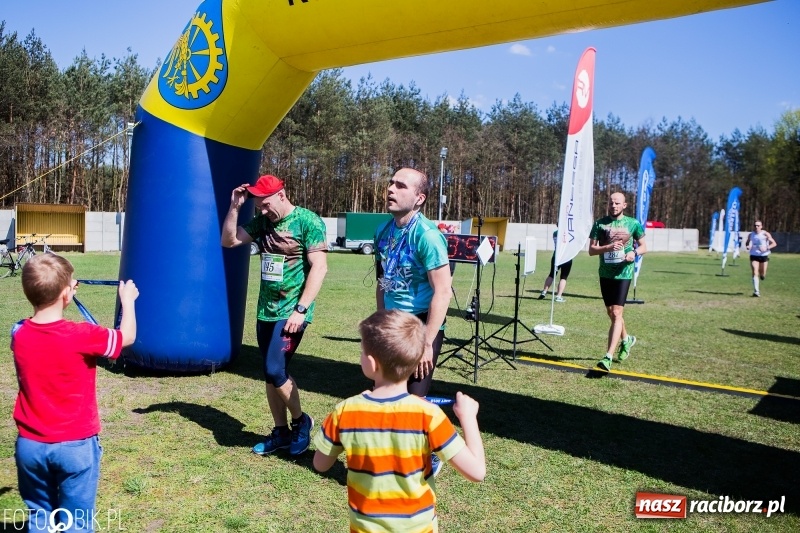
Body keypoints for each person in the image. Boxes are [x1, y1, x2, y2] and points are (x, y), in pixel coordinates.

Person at [313, 309, 485, 533]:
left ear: (373, 364)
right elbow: (477, 472)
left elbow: (320, 464)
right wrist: (468, 417)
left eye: (362, 351)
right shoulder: (428, 415)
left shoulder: (345, 411)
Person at [11, 254, 139, 532]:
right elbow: (125, 337)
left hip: (30, 446)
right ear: (66, 294)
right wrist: (127, 301)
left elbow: (41, 323)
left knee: (40, 518)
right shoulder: (84, 335)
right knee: (76, 523)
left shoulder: (18, 333)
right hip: (75, 445)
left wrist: (63, 290)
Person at [221, 174, 328, 456]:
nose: (264, 211)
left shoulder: (308, 221)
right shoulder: (264, 223)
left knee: (274, 369)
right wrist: (234, 206)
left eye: (266, 205)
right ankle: (281, 432)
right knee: (269, 376)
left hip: (292, 312)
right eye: (259, 207)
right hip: (265, 312)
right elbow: (229, 241)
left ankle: (301, 422)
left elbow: (320, 268)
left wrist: (301, 310)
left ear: (282, 194)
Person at [375, 168, 452, 397]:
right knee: (385, 394)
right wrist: (382, 320)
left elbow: (443, 291)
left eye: (401, 186)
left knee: (412, 400)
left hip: (421, 323)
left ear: (420, 199)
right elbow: (383, 280)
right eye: (391, 183)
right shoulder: (382, 231)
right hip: (392, 321)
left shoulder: (427, 236)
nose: (390, 189)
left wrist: (427, 343)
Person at [588, 192, 647, 371]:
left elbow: (644, 246)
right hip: (605, 274)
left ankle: (608, 357)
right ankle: (626, 339)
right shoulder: (600, 223)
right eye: (611, 203)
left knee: (617, 313)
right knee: (611, 313)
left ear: (624, 205)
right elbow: (591, 250)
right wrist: (608, 247)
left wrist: (634, 253)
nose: (613, 205)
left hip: (624, 273)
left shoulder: (633, 223)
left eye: (617, 203)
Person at [745, 220, 777, 297]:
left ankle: (762, 276)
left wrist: (767, 247)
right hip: (754, 255)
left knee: (762, 274)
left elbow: (774, 243)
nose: (756, 227)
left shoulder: (765, 234)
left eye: (758, 225)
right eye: (755, 225)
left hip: (764, 256)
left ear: (761, 226)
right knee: (755, 271)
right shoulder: (751, 235)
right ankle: (756, 291)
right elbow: (747, 242)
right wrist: (748, 246)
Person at [538, 229, 572, 302]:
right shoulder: (569, 233)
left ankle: (544, 291)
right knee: (563, 277)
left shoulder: (555, 233)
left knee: (551, 275)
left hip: (556, 257)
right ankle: (558, 296)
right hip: (566, 257)